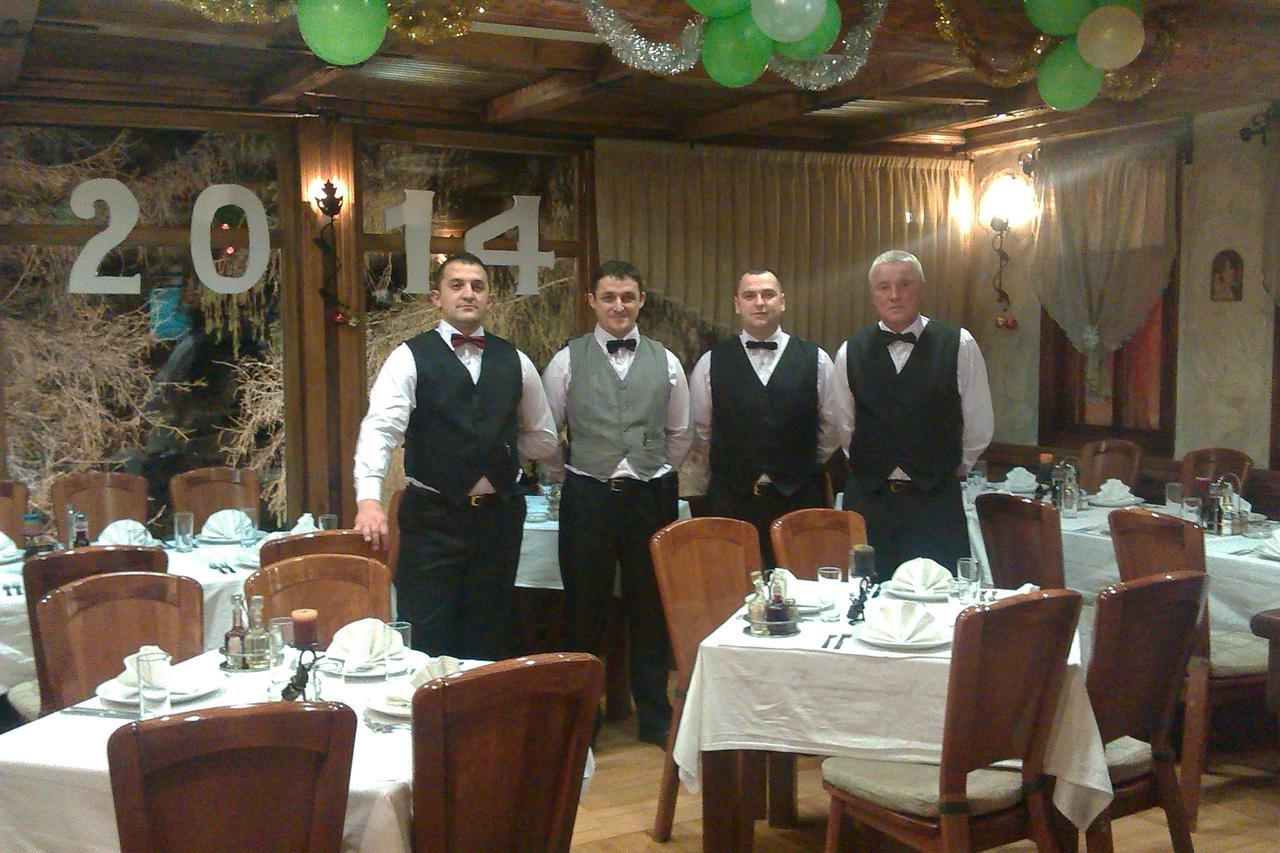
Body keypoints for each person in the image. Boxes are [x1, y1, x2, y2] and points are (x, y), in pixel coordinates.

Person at [353, 252, 557, 660]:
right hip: (432, 519)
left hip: (498, 521)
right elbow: (380, 430)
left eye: (478, 286)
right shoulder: (409, 357)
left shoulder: (515, 360)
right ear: (437, 297)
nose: (468, 293)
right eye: (457, 285)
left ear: (489, 299)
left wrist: (499, 452)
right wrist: (369, 500)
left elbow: (544, 437)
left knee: (488, 637)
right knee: (425, 635)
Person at [541, 260, 691, 746]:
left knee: (651, 608)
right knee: (584, 608)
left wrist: (649, 469)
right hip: (588, 495)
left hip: (650, 496)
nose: (619, 306)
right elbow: (547, 434)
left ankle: (654, 715)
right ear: (592, 302)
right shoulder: (566, 360)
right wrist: (575, 472)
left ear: (641, 300)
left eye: (628, 296)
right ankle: (582, 720)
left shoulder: (667, 361)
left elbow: (680, 433)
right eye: (609, 297)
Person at [835, 249, 993, 580]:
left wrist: (944, 468)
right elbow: (845, 427)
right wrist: (875, 466)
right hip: (869, 501)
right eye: (884, 287)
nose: (894, 295)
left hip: (934, 502)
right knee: (865, 595)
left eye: (904, 284)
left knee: (940, 594)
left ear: (921, 288)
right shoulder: (850, 350)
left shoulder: (959, 343)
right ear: (873, 294)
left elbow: (979, 423)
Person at [690, 269, 849, 567]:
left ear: (782, 301)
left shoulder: (817, 359)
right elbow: (701, 433)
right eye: (750, 296)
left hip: (800, 499)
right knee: (733, 586)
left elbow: (832, 429)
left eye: (768, 294)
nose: (760, 302)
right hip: (731, 501)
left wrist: (795, 466)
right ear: (737, 304)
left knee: (803, 586)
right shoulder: (710, 363)